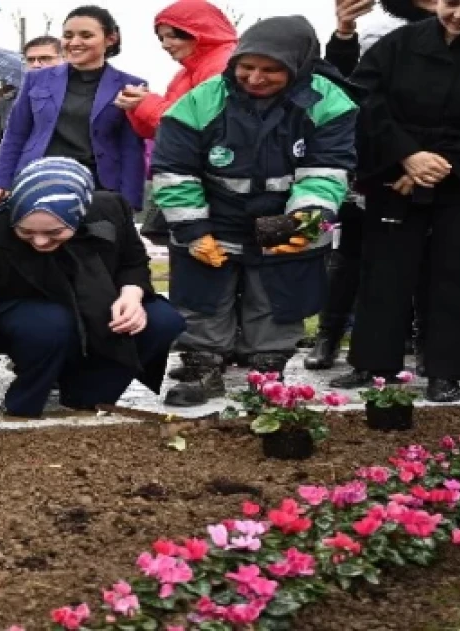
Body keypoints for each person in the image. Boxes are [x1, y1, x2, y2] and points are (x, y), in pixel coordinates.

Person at [152, 15, 358, 406]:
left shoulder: (329, 103)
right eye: (247, 67)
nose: (255, 78)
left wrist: (299, 226)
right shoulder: (202, 99)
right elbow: (173, 168)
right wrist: (194, 229)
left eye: (270, 70)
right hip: (214, 213)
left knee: (279, 291)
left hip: (290, 212)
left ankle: (267, 369)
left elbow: (327, 172)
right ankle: (202, 367)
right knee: (202, 294)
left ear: (297, 65)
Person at [0, 157, 185, 447]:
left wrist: (131, 295)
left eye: (54, 233)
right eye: (26, 232)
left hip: (92, 305)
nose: (40, 242)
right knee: (50, 323)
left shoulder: (110, 209)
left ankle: (88, 392)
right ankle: (26, 398)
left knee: (162, 320)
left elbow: (133, 261)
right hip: (23, 315)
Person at [332, 0, 460, 402]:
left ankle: (446, 370)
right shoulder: (402, 42)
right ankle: (374, 361)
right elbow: (364, 96)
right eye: (452, 3)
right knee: (384, 269)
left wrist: (440, 162)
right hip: (396, 172)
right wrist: (407, 154)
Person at [305, 0, 440, 371]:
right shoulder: (373, 17)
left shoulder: (456, 22)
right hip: (369, 155)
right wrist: (344, 31)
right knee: (350, 255)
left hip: (428, 157)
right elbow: (345, 83)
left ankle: (425, 341)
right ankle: (328, 337)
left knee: (428, 256)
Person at [0, 5, 148, 213]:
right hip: (37, 180)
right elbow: (15, 135)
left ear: (110, 38)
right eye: (68, 35)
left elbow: (131, 148)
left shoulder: (130, 86)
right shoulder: (36, 79)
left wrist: (129, 201)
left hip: (99, 189)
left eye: (86, 35)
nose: (74, 43)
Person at [113, 0, 239, 141]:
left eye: (172, 36)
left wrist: (146, 104)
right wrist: (135, 106)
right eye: (161, 38)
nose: (164, 45)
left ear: (199, 32)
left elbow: (208, 124)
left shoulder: (223, 63)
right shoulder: (183, 75)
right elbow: (157, 131)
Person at [0, 35, 65, 180]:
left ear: (65, 60)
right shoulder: (5, 104)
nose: (36, 65)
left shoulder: (83, 100)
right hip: (14, 182)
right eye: (31, 60)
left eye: (46, 58)